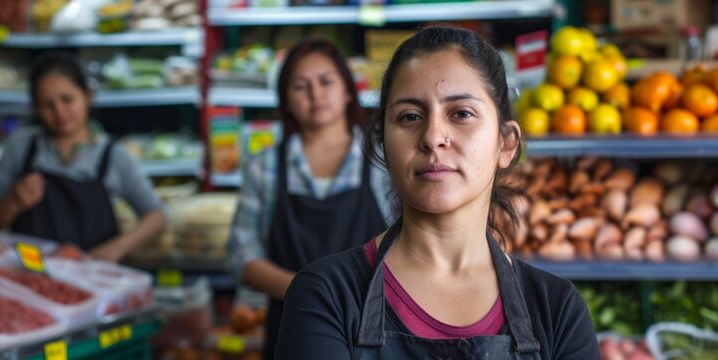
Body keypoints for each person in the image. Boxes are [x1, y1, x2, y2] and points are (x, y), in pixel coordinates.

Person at [276, 26, 601, 359]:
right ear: (385, 145)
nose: (433, 136)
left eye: (461, 114)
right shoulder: (325, 295)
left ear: (507, 143)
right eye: (410, 116)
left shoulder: (557, 310)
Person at [227, 39, 392, 359]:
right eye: (301, 86)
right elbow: (241, 256)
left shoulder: (383, 160)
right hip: (291, 330)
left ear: (347, 89)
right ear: (285, 101)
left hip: (375, 327)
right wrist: (311, 294)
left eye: (326, 81)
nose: (316, 94)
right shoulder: (265, 167)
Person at [0, 51, 166, 262]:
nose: (59, 112)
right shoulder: (21, 147)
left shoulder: (113, 155)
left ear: (88, 95)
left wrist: (117, 248)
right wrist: (14, 201)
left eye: (67, 100)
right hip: (32, 278)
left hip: (93, 281)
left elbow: (157, 216)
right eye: (47, 104)